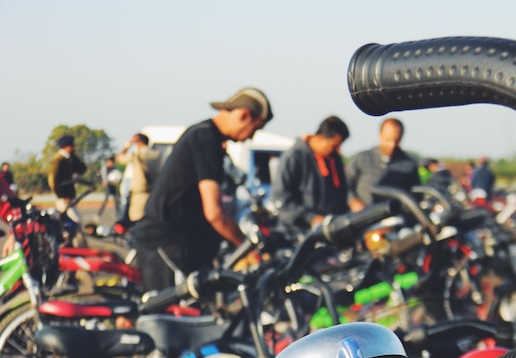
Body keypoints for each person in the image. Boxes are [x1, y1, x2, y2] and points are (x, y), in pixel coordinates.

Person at [132, 86, 273, 291]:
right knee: (170, 318)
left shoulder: (206, 136)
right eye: (256, 128)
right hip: (166, 243)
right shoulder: (206, 139)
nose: (251, 137)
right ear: (244, 115)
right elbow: (214, 212)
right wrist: (245, 247)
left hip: (182, 243)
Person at [271, 115, 351, 234]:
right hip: (297, 234)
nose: (338, 150)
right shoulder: (294, 158)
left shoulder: (335, 160)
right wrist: (311, 218)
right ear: (321, 137)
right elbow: (282, 200)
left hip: (329, 232)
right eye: (334, 146)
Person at [345, 118, 420, 211]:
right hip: (361, 218)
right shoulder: (360, 159)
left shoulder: (408, 165)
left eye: (396, 141)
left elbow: (416, 196)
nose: (392, 145)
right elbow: (345, 186)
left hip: (393, 219)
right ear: (380, 135)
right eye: (388, 140)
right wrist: (353, 201)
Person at [115, 133, 160, 224]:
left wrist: (128, 144)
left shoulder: (136, 155)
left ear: (138, 142)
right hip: (155, 193)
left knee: (137, 221)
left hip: (139, 194)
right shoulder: (157, 154)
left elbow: (119, 158)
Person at [48, 134, 87, 225]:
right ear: (66, 147)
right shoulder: (59, 161)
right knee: (74, 222)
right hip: (64, 198)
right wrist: (62, 196)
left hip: (70, 196)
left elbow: (82, 169)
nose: (74, 148)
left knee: (74, 222)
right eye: (71, 146)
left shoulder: (68, 159)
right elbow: (55, 181)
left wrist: (73, 156)